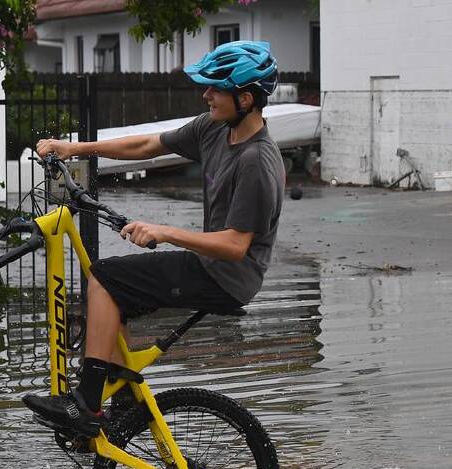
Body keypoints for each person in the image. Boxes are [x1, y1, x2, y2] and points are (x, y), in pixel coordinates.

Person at [24, 40, 285, 438]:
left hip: (228, 276)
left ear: (245, 98)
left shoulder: (257, 162)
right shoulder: (214, 128)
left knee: (105, 279)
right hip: (210, 264)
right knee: (115, 289)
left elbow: (236, 246)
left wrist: (164, 232)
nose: (206, 95)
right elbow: (148, 145)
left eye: (215, 88)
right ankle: (126, 400)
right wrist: (76, 147)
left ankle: (87, 405)